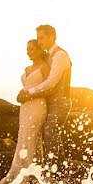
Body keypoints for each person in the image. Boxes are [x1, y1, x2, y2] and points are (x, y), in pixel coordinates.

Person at [0, 39, 51, 184]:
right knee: (24, 137)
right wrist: (22, 94)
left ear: (39, 50)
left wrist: (31, 95)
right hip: (25, 107)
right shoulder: (27, 68)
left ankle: (28, 174)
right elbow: (27, 86)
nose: (28, 52)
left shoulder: (45, 67)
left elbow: (48, 89)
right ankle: (29, 170)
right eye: (27, 49)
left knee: (32, 137)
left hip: (37, 106)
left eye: (31, 49)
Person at [16, 24, 72, 166]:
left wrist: (29, 93)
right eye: (38, 38)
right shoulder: (49, 57)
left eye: (41, 38)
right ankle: (59, 170)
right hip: (49, 104)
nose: (39, 41)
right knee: (52, 136)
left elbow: (51, 82)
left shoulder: (60, 55)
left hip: (60, 102)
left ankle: (54, 171)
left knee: (50, 134)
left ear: (51, 37)